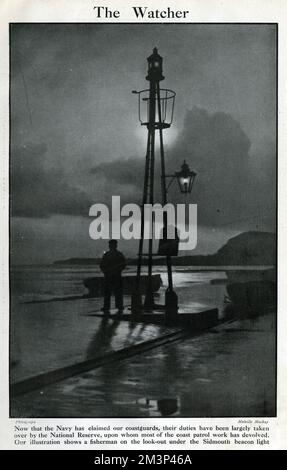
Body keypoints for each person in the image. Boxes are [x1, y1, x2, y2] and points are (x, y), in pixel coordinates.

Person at [100, 240, 126, 314]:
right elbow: (102, 266)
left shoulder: (108, 255)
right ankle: (118, 306)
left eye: (111, 245)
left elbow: (123, 265)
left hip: (112, 276)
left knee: (111, 292)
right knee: (114, 292)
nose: (110, 246)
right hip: (113, 276)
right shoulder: (117, 254)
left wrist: (107, 272)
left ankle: (110, 307)